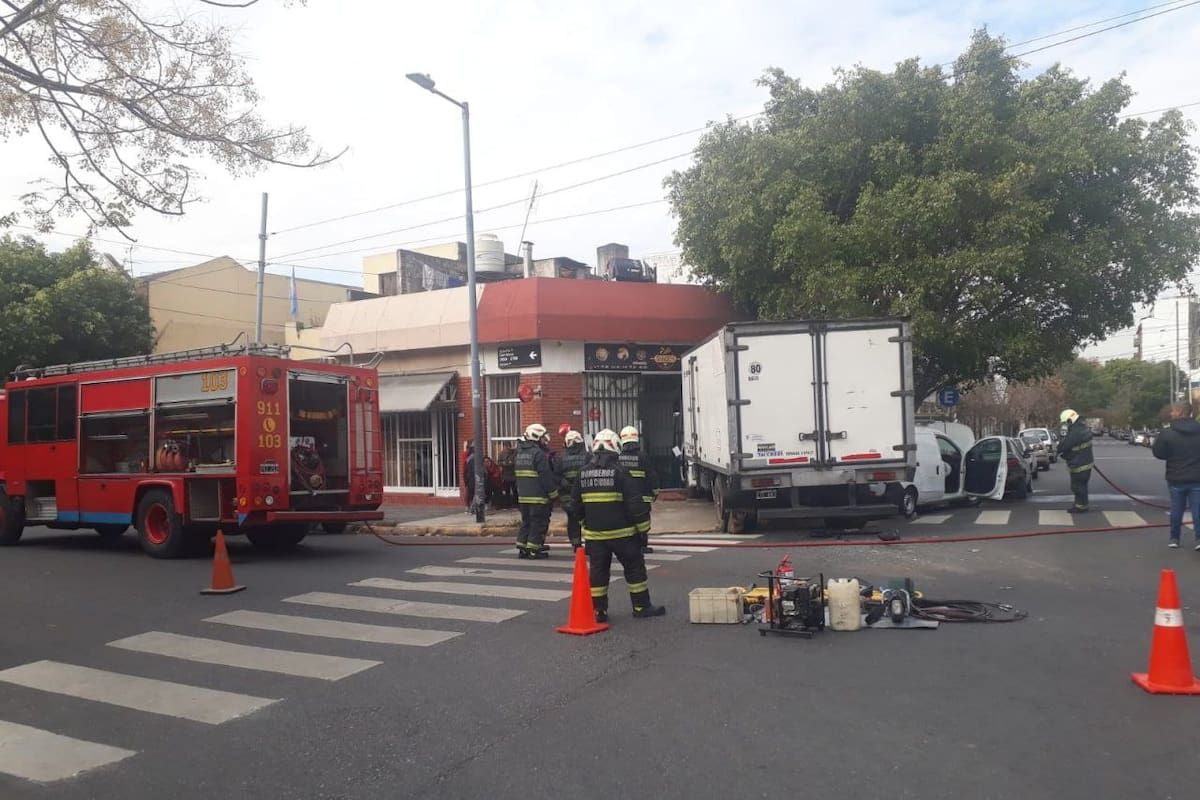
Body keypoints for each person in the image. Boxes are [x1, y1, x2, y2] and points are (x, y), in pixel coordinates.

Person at [570, 429, 666, 622]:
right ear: (615, 447)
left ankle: (598, 611)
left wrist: (583, 527)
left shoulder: (582, 474)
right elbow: (635, 504)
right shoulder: (621, 472)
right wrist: (643, 529)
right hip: (624, 536)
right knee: (635, 569)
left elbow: (575, 507)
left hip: (596, 537)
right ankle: (641, 606)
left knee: (598, 573)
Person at [1152, 403, 1200, 550]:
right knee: (1197, 510)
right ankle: (1199, 539)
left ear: (1179, 412)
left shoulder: (1167, 433)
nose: (1171, 414)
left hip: (1175, 477)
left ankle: (1174, 538)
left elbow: (1159, 453)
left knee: (1176, 509)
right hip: (1197, 477)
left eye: (1173, 411)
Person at [514, 423, 558, 559]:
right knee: (538, 523)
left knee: (526, 522)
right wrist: (553, 493)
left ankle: (522, 547)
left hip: (523, 497)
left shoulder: (519, 453)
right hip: (538, 497)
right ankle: (534, 549)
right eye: (542, 438)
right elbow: (545, 475)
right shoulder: (538, 454)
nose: (544, 442)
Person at [618, 425, 657, 554]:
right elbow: (651, 475)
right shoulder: (643, 456)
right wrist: (655, 492)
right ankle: (642, 545)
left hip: (624, 498)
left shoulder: (618, 457)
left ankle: (628, 545)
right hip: (642, 497)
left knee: (626, 520)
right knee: (642, 520)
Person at [556, 430, 589, 549]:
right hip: (584, 496)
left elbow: (556, 476)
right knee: (588, 520)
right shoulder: (587, 456)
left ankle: (576, 544)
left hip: (567, 497)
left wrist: (565, 485)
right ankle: (590, 543)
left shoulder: (561, 458)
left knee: (572, 520)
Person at [1056, 409, 1093, 513]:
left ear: (1070, 419)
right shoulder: (1082, 427)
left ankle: (1080, 506)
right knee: (1081, 485)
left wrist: (1059, 449)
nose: (1066, 425)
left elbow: (1066, 444)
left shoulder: (1076, 430)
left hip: (1079, 463)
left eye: (1066, 422)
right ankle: (1081, 504)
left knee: (1078, 485)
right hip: (1084, 462)